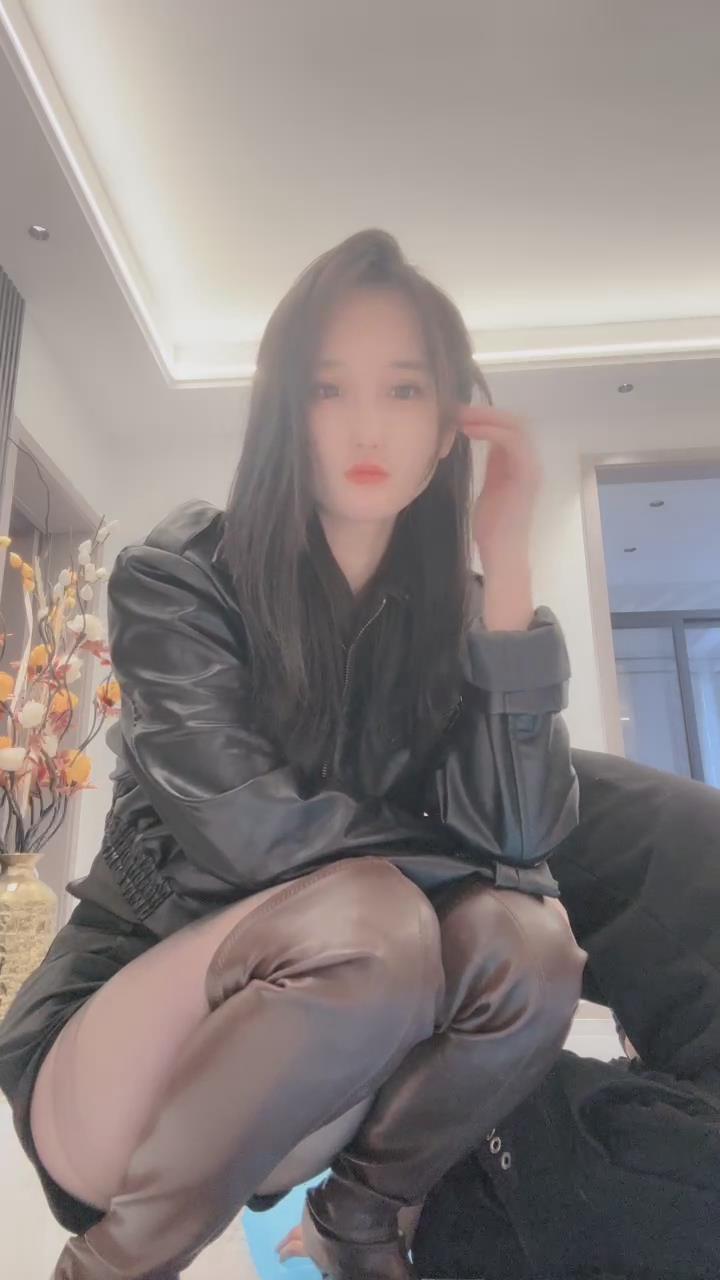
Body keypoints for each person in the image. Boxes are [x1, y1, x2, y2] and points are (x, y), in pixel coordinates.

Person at [0, 229, 586, 1280]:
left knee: (532, 948)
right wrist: (460, 865)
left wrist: (506, 567)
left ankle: (359, 1222)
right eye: (328, 388)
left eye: (403, 389)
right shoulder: (180, 578)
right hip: (120, 1043)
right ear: (285, 410)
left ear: (448, 428)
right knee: (379, 920)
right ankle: (108, 1266)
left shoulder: (447, 619)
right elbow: (252, 837)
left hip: (321, 1068)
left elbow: (522, 840)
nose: (367, 424)